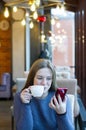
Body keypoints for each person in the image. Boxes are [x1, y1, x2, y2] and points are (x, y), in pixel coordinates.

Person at [14, 58, 75, 130]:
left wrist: (62, 114)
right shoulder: (20, 97)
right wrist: (26, 105)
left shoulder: (60, 99)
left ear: (52, 80)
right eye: (40, 78)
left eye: (49, 78)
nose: (44, 83)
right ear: (32, 78)